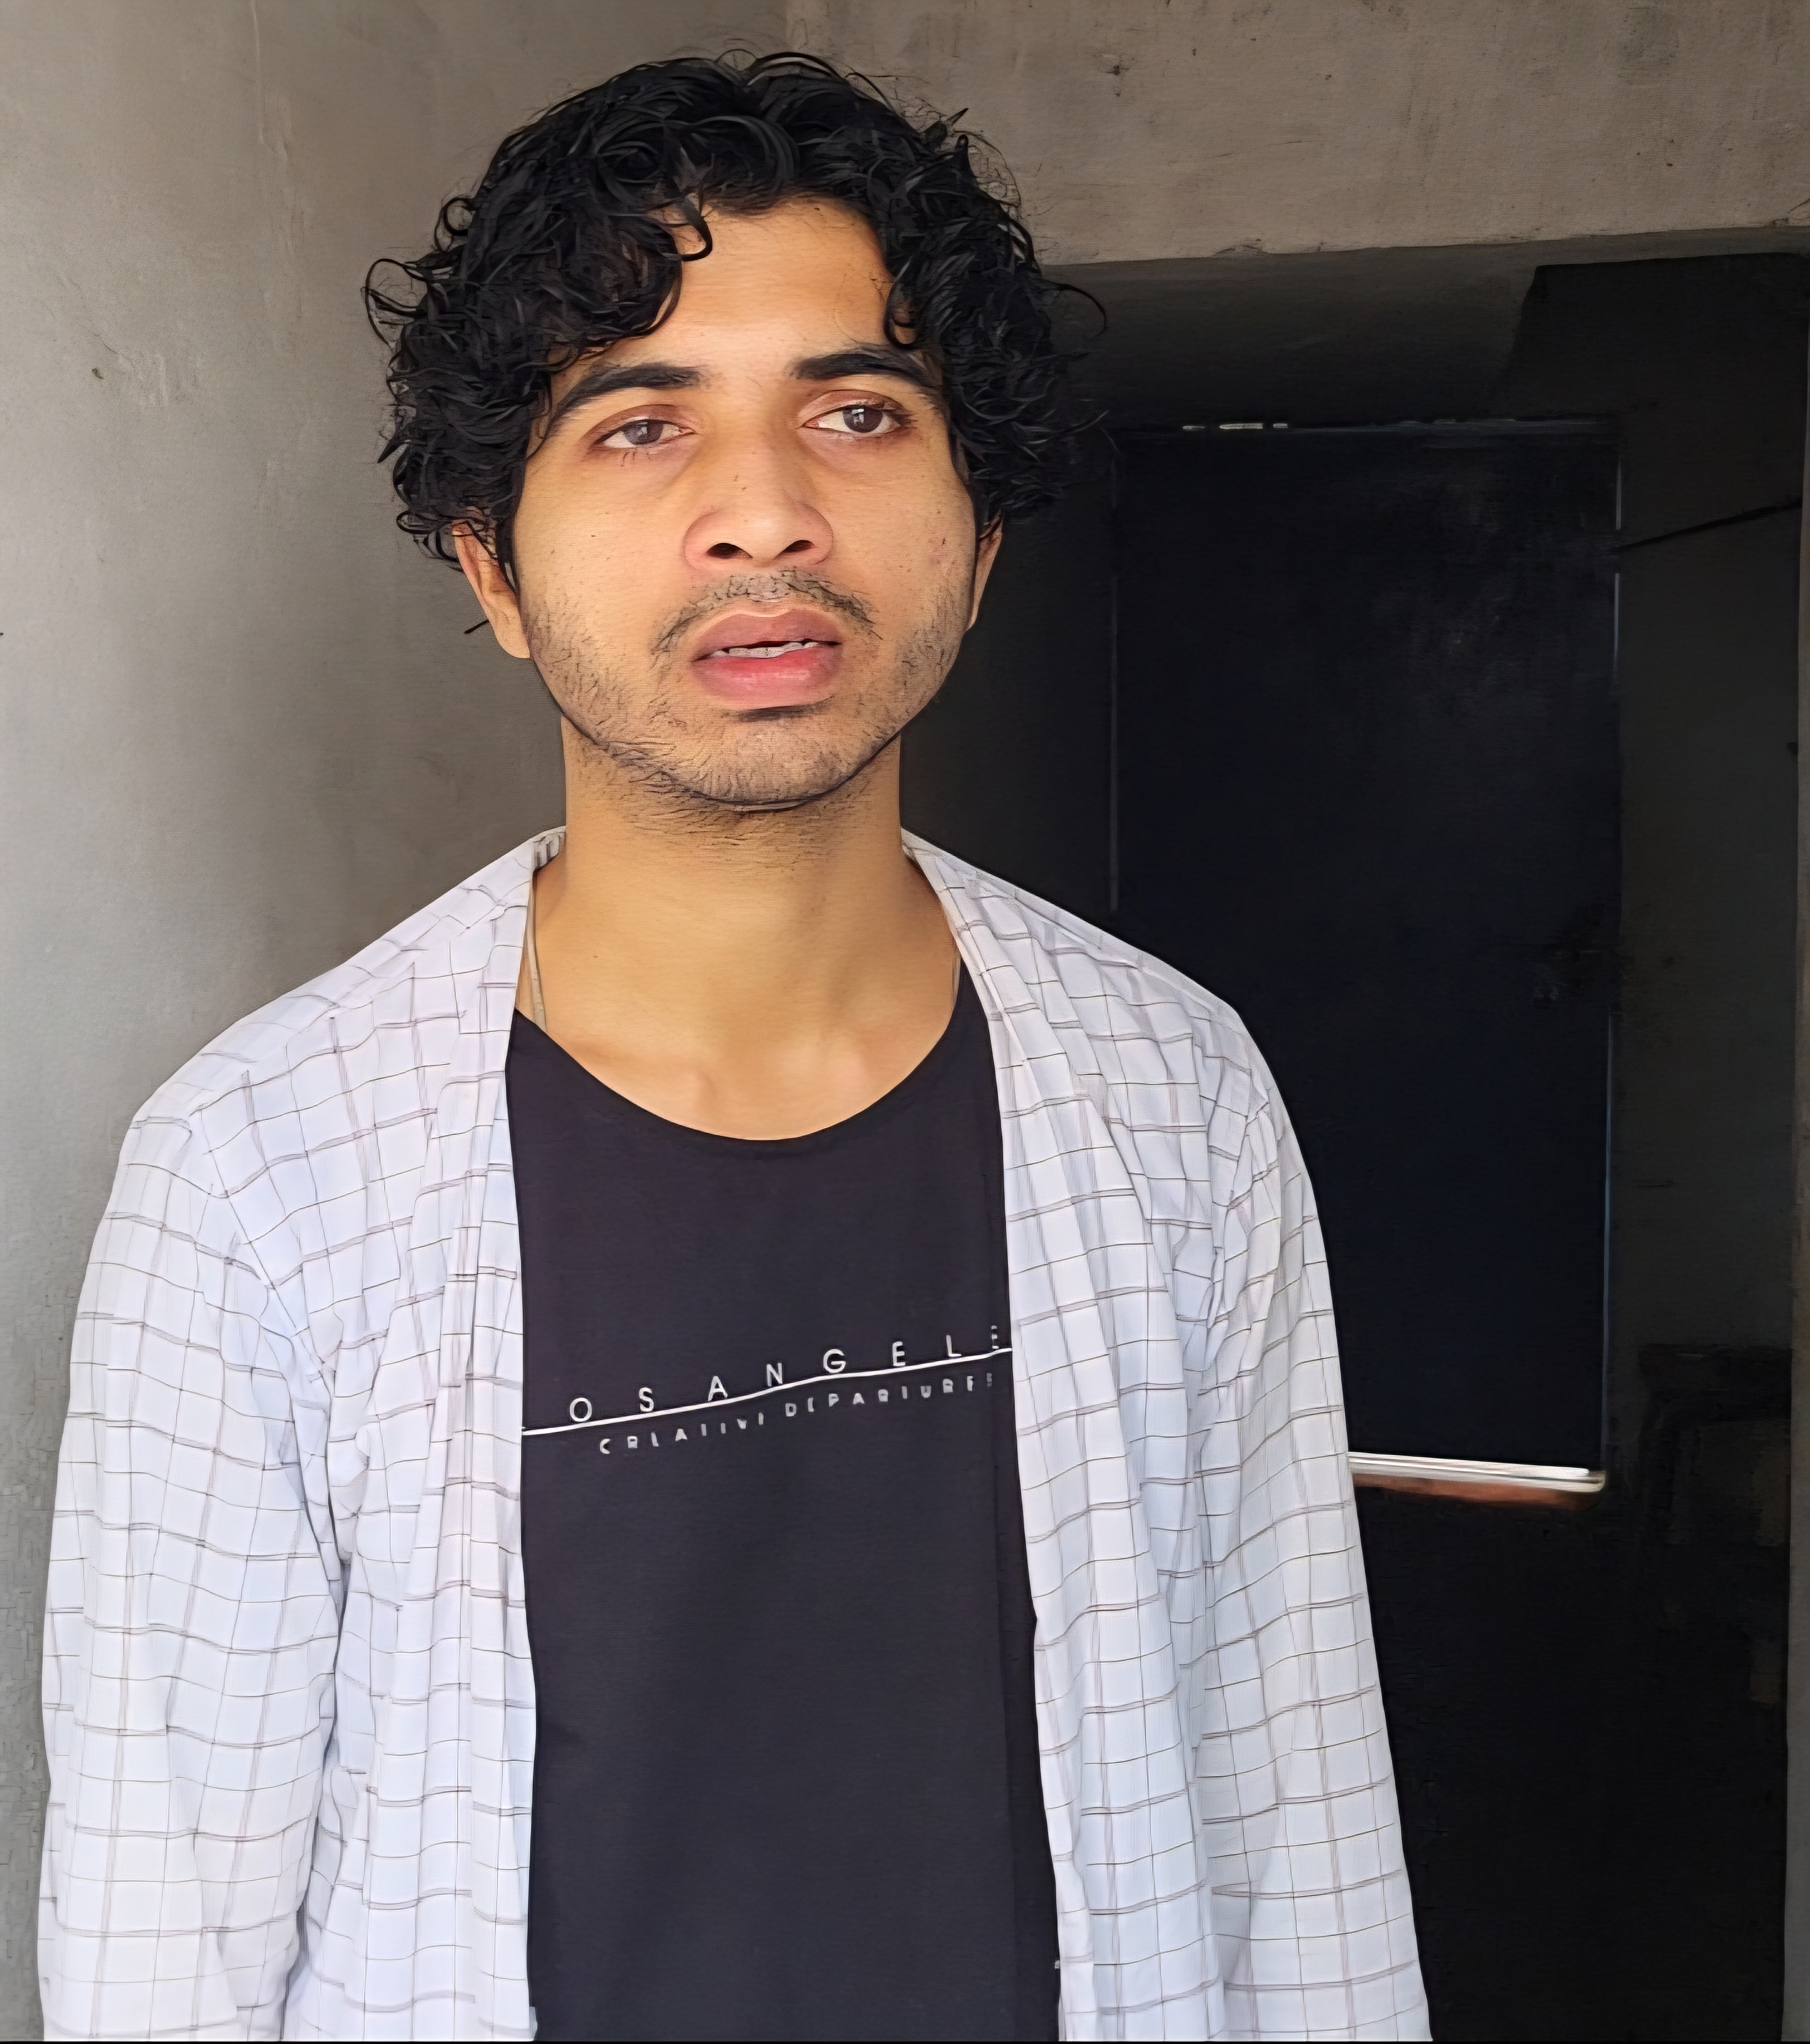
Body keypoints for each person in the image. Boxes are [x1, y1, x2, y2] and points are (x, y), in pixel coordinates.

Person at [39, 52, 1426, 2044]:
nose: (764, 513)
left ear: (979, 535)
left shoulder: (1177, 1096)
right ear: (492, 567)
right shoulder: (261, 1174)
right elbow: (161, 1931)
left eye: (857, 414)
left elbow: (1293, 1808)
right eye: (638, 426)